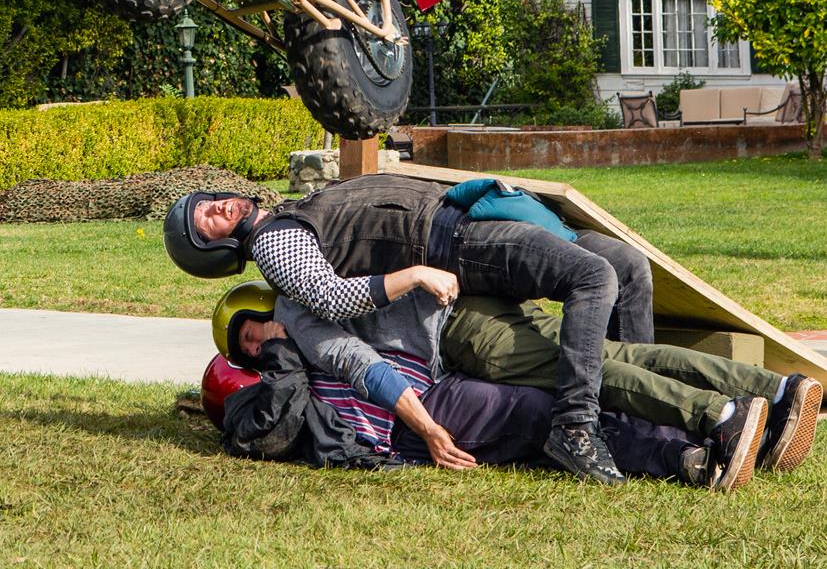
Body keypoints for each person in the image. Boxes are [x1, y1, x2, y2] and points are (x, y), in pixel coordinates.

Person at [164, 175, 655, 484]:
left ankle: (637, 417)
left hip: (474, 212)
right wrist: (415, 275)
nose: (219, 205)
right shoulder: (273, 241)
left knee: (629, 267)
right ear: (213, 252)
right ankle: (576, 427)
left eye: (210, 200)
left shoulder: (297, 207)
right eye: (207, 217)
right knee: (593, 276)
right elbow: (329, 298)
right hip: (457, 241)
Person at [212, 280, 822, 491]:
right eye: (246, 348)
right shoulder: (296, 356)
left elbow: (371, 366)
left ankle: (728, 416)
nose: (257, 344)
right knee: (588, 376)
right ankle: (764, 400)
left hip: (455, 350)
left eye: (253, 330)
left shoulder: (312, 308)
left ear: (266, 306)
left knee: (588, 375)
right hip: (448, 362)